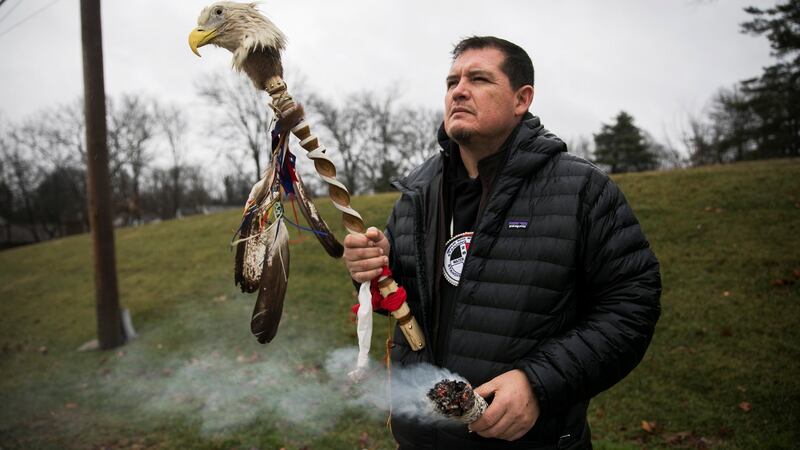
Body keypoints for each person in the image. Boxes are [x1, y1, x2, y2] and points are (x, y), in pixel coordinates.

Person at [343, 36, 661, 449]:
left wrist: (538, 382)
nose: (459, 90)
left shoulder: (581, 189)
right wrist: (371, 272)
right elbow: (401, 300)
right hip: (422, 439)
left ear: (521, 99)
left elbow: (632, 306)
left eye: (479, 79)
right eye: (452, 81)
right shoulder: (418, 193)